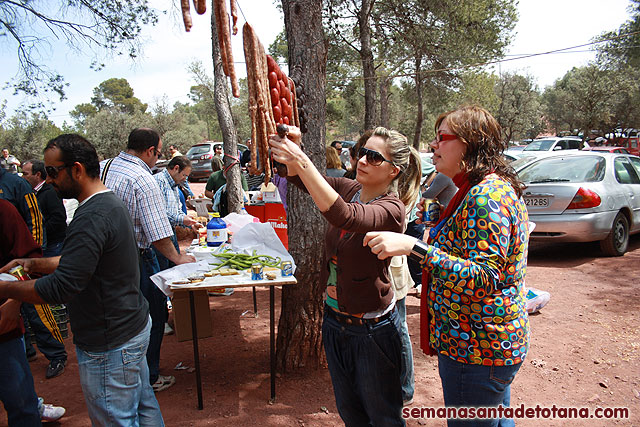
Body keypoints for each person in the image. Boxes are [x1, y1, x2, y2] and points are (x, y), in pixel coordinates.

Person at [364, 106, 530, 427]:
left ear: (468, 143)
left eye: (442, 139)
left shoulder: (484, 196)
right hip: (482, 344)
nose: (433, 146)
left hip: (477, 348)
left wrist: (415, 247)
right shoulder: (481, 189)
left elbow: (483, 277)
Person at [0, 134, 164, 425]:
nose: (48, 180)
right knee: (144, 407)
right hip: (130, 328)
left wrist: (5, 288)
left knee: (118, 419)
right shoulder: (108, 203)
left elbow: (63, 286)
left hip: (109, 343)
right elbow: (83, 261)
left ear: (76, 169)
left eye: (52, 172)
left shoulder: (91, 216)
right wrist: (33, 262)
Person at [269, 126, 422, 426]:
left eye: (374, 157)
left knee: (383, 417)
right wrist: (289, 150)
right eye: (363, 152)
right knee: (351, 412)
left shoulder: (392, 209)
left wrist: (300, 159)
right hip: (335, 322)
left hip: (372, 331)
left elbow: (345, 216)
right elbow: (299, 179)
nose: (363, 160)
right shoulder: (350, 187)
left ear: (394, 171)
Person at [100, 128, 195, 393]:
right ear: (150, 151)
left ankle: (123, 374)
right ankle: (148, 376)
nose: (158, 159)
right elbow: (156, 232)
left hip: (105, 258)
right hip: (136, 259)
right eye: (159, 153)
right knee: (153, 316)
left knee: (119, 318)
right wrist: (177, 258)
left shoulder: (104, 167)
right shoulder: (143, 179)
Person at [0, 199, 66, 424]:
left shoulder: (3, 210)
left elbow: (27, 260)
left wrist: (13, 301)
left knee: (21, 403)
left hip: (4, 331)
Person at [154, 155, 200, 271]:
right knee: (164, 270)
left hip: (171, 232)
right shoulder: (159, 182)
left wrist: (189, 222)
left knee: (173, 269)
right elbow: (160, 212)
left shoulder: (174, 184)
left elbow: (176, 210)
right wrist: (182, 219)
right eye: (184, 175)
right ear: (176, 168)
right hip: (160, 237)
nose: (185, 179)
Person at [21, 160, 68, 257]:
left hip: (53, 246)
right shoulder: (31, 192)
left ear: (37, 174)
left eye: (25, 174)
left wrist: (41, 231)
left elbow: (58, 218)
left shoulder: (50, 192)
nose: (22, 177)